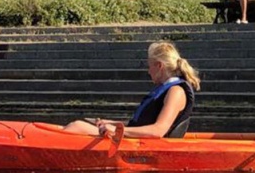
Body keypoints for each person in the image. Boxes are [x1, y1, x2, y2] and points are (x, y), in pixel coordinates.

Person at [62, 41, 201, 138]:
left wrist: (117, 130)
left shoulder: (176, 91)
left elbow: (158, 131)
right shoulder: (167, 89)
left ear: (159, 66)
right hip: (138, 141)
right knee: (77, 125)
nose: (148, 71)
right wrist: (111, 124)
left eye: (150, 66)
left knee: (77, 126)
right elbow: (141, 125)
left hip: (150, 145)